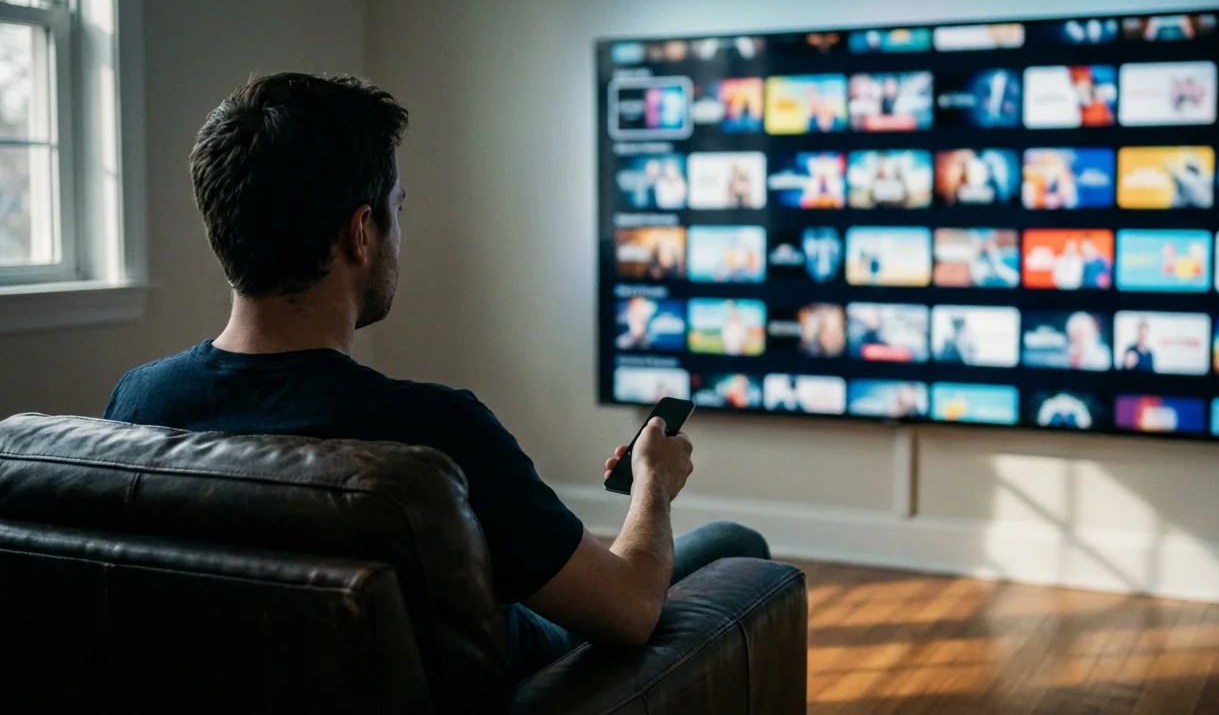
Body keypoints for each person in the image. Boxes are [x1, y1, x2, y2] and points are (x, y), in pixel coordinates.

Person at [101, 73, 769, 682]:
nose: (400, 234)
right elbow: (629, 612)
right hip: (512, 679)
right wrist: (652, 482)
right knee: (735, 544)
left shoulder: (140, 401)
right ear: (361, 233)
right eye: (398, 208)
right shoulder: (434, 432)